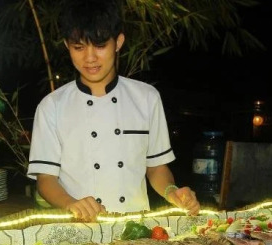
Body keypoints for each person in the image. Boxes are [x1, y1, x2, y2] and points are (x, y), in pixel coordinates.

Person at [27, 0, 200, 221]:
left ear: (118, 42)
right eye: (79, 47)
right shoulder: (52, 106)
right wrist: (71, 203)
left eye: (100, 46)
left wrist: (172, 192)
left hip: (137, 227)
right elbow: (46, 180)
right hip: (79, 226)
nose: (90, 58)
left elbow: (156, 168)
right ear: (67, 46)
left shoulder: (146, 98)